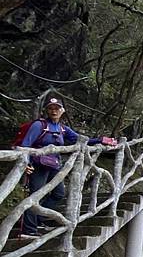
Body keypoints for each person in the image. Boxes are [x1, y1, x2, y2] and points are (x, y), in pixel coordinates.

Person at [18, 97, 108, 238]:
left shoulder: (62, 128)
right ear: (46, 110)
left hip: (53, 165)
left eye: (57, 108)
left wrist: (100, 140)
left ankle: (38, 220)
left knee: (58, 193)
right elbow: (25, 145)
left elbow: (80, 139)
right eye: (50, 108)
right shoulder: (39, 125)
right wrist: (26, 163)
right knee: (35, 195)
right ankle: (28, 230)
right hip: (38, 165)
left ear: (62, 110)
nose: (54, 111)